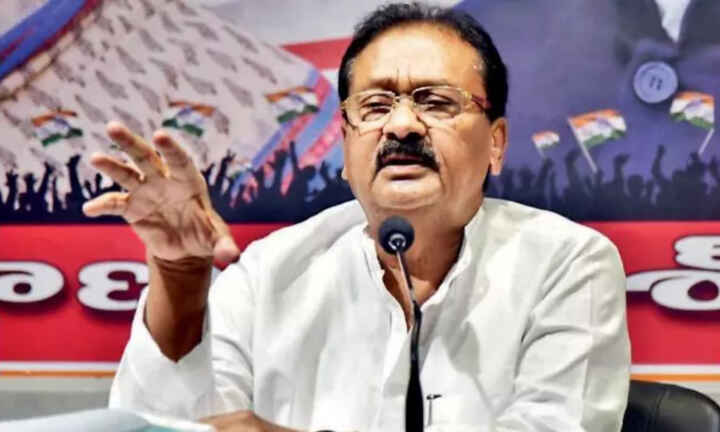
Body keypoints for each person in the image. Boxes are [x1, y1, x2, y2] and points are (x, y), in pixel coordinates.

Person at [83, 3, 630, 431]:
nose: (402, 126)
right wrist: (180, 276)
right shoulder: (270, 273)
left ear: (496, 143)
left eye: (436, 102)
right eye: (374, 106)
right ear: (345, 146)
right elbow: (161, 426)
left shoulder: (567, 264)